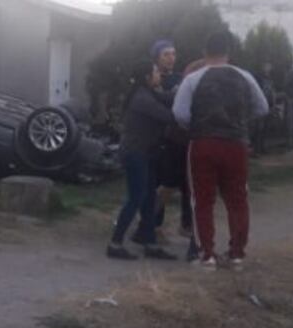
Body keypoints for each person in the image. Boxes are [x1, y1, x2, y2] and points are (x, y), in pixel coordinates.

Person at [173, 31, 269, 270]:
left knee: (202, 200)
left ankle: (207, 256)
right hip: (236, 143)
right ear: (229, 53)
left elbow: (180, 113)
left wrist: (195, 126)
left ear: (205, 53)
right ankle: (236, 254)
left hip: (203, 143)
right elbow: (262, 107)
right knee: (238, 200)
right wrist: (241, 121)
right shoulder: (244, 77)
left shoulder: (193, 79)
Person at [107, 60, 178, 261]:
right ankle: (115, 243)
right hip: (135, 154)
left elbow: (166, 97)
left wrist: (179, 93)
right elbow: (168, 116)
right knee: (137, 197)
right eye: (155, 72)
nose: (159, 75)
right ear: (147, 77)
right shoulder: (142, 98)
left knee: (148, 199)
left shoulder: (148, 93)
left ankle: (150, 243)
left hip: (146, 153)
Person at [149, 40, 194, 250]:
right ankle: (154, 225)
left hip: (181, 138)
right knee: (164, 184)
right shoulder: (153, 79)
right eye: (166, 54)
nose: (171, 58)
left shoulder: (180, 79)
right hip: (161, 140)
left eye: (173, 54)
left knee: (187, 183)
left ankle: (186, 224)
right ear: (157, 57)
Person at [251, 62, 276, 156]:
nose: (268, 68)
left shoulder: (270, 78)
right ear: (262, 67)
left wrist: (273, 102)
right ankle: (255, 149)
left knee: (265, 127)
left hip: (269, 104)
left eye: (269, 66)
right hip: (260, 104)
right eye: (266, 66)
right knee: (258, 127)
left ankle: (262, 147)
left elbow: (272, 90)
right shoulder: (258, 77)